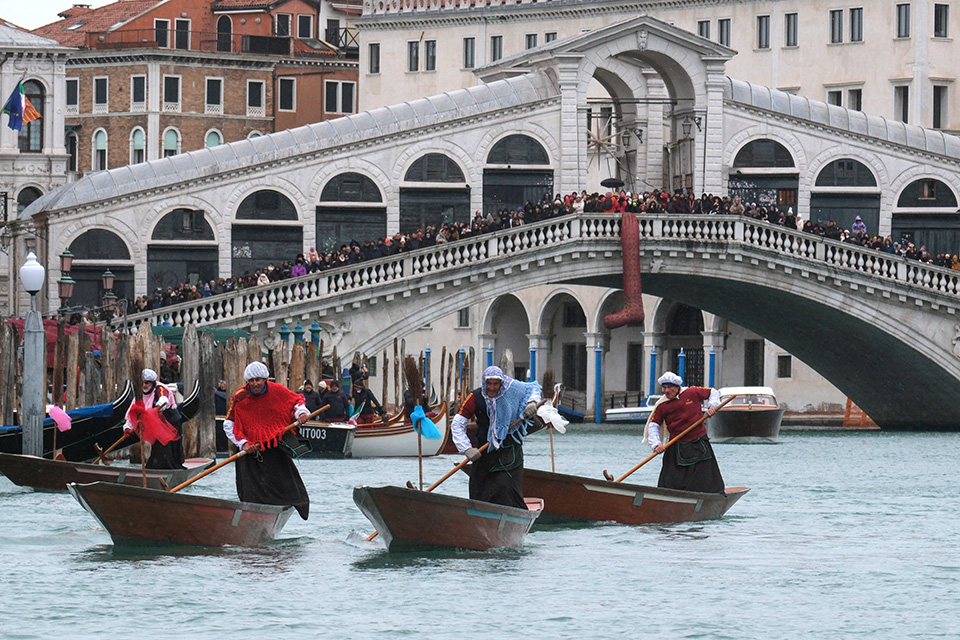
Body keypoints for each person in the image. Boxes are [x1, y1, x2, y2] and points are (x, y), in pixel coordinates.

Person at [222, 362, 311, 520]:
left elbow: (297, 402)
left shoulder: (278, 391)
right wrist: (243, 443)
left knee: (287, 484)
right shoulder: (240, 397)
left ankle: (284, 510)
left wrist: (301, 414)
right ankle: (253, 518)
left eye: (258, 380)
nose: (255, 384)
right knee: (250, 489)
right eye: (251, 381)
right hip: (250, 449)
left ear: (265, 379)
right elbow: (229, 424)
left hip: (273, 444)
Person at [450, 366, 541, 509]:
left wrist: (532, 402)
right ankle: (479, 518)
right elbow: (457, 424)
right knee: (478, 492)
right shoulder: (475, 397)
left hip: (509, 452)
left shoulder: (513, 389)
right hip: (483, 452)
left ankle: (511, 517)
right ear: (484, 382)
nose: (492, 388)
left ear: (501, 383)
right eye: (489, 383)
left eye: (495, 384)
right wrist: (466, 448)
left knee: (505, 489)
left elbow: (533, 388)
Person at [643, 371, 725, 494]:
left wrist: (711, 406)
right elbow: (654, 425)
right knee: (670, 481)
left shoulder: (692, 392)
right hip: (676, 444)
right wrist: (656, 444)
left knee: (705, 478)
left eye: (669, 387)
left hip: (698, 442)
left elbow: (712, 392)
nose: (666, 391)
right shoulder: (662, 405)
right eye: (664, 388)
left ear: (677, 387)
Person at [123, 368, 184, 469]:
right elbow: (132, 413)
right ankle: (154, 468)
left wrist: (158, 407)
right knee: (157, 448)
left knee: (168, 450)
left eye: (147, 383)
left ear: (152, 383)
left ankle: (172, 469)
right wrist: (127, 427)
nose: (144, 385)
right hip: (158, 426)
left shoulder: (160, 388)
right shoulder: (139, 396)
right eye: (142, 383)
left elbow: (164, 399)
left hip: (171, 423)